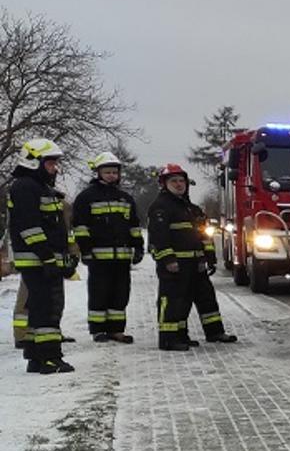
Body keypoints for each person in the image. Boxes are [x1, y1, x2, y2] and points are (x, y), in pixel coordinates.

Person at [148, 164, 235, 350]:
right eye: (174, 181)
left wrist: (209, 257)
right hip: (176, 264)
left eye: (182, 181)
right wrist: (168, 260)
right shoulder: (160, 207)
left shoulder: (192, 209)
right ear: (164, 184)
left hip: (196, 264)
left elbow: (205, 235)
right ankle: (169, 339)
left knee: (206, 298)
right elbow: (158, 237)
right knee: (173, 300)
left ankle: (214, 332)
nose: (179, 184)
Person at [6, 138, 74, 373]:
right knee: (47, 308)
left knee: (40, 307)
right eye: (50, 163)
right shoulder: (25, 186)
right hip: (37, 259)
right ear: (34, 162)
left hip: (42, 258)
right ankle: (49, 358)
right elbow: (30, 228)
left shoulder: (40, 187)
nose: (54, 168)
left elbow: (56, 228)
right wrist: (47, 256)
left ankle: (36, 357)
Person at [72, 152, 142, 343]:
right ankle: (98, 329)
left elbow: (134, 226)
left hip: (122, 258)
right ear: (98, 173)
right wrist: (86, 250)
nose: (111, 175)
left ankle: (116, 330)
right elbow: (80, 227)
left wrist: (139, 247)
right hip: (98, 258)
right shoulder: (86, 197)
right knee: (99, 293)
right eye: (107, 171)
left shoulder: (125, 198)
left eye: (114, 172)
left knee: (121, 294)